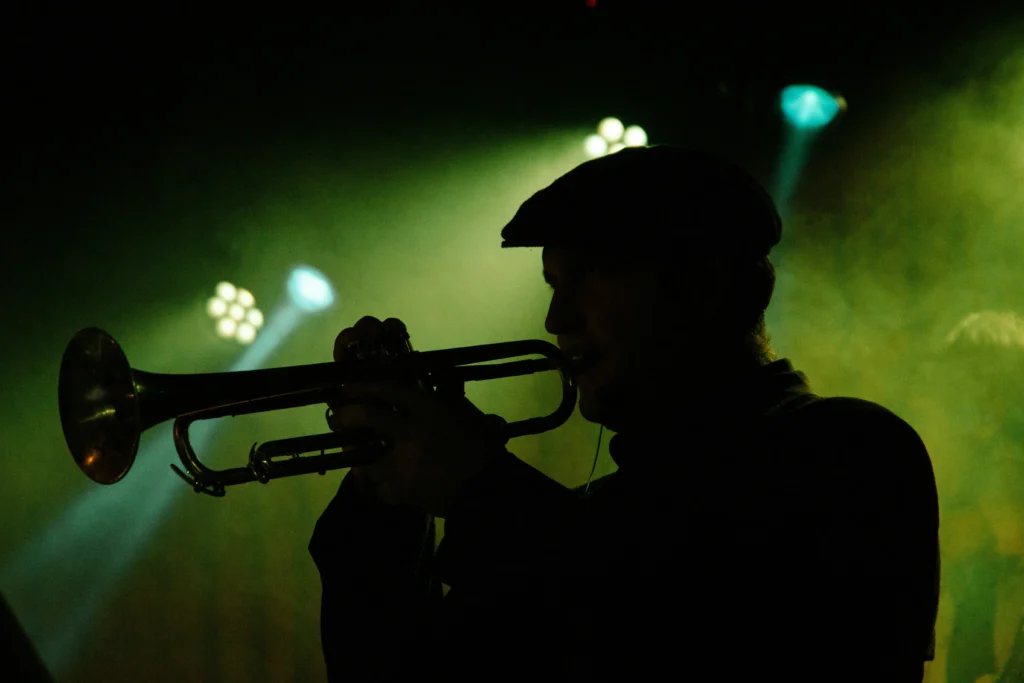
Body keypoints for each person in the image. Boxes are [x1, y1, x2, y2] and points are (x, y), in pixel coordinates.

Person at [308, 146, 940, 681]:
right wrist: (384, 500)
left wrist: (479, 486)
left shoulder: (849, 452)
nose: (557, 321)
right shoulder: (596, 515)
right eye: (554, 286)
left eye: (588, 277)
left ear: (705, 286)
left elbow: (674, 636)